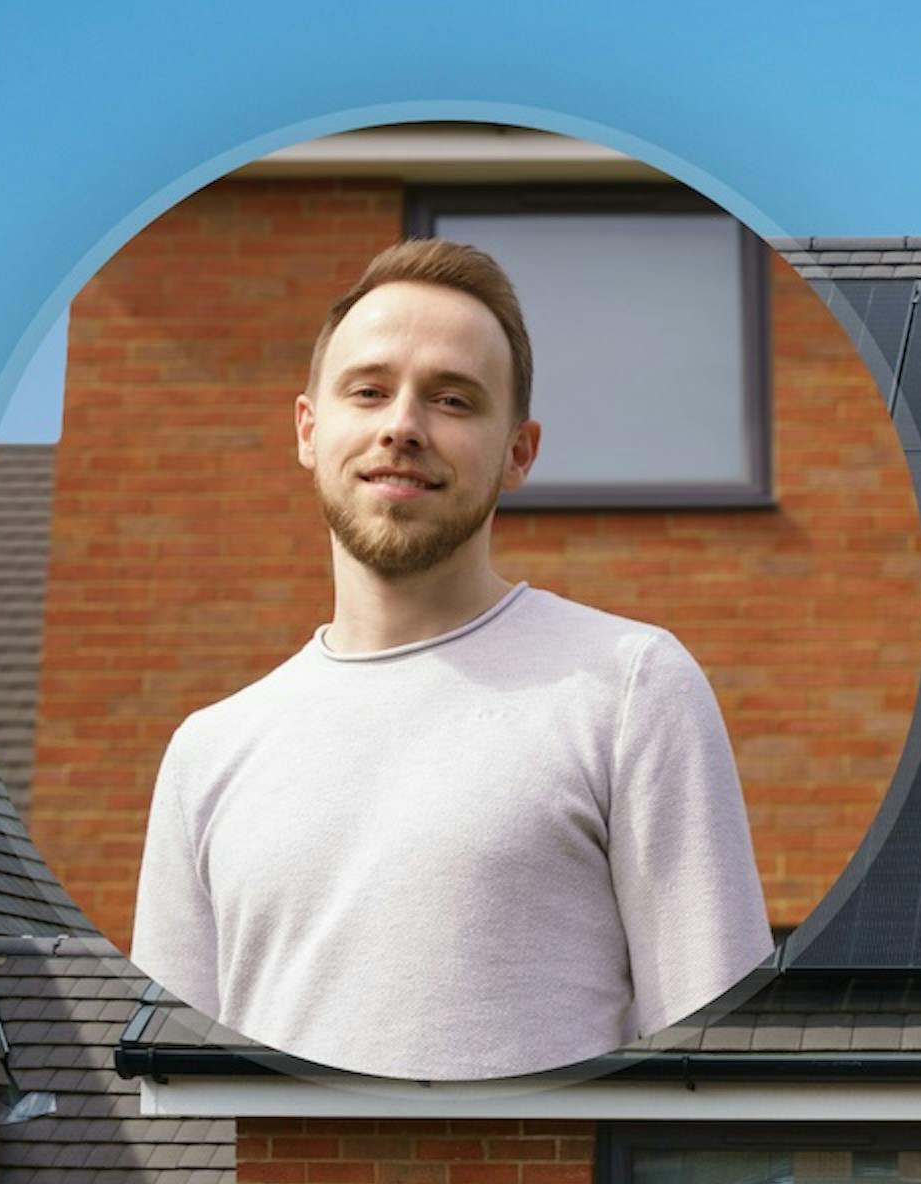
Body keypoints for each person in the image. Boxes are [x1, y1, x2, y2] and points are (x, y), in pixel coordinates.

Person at [130, 239, 774, 1080]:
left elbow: (715, 1063)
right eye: (369, 391)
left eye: (454, 399)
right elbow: (172, 1094)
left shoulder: (629, 689)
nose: (402, 425)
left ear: (519, 452)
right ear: (308, 429)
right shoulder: (206, 754)